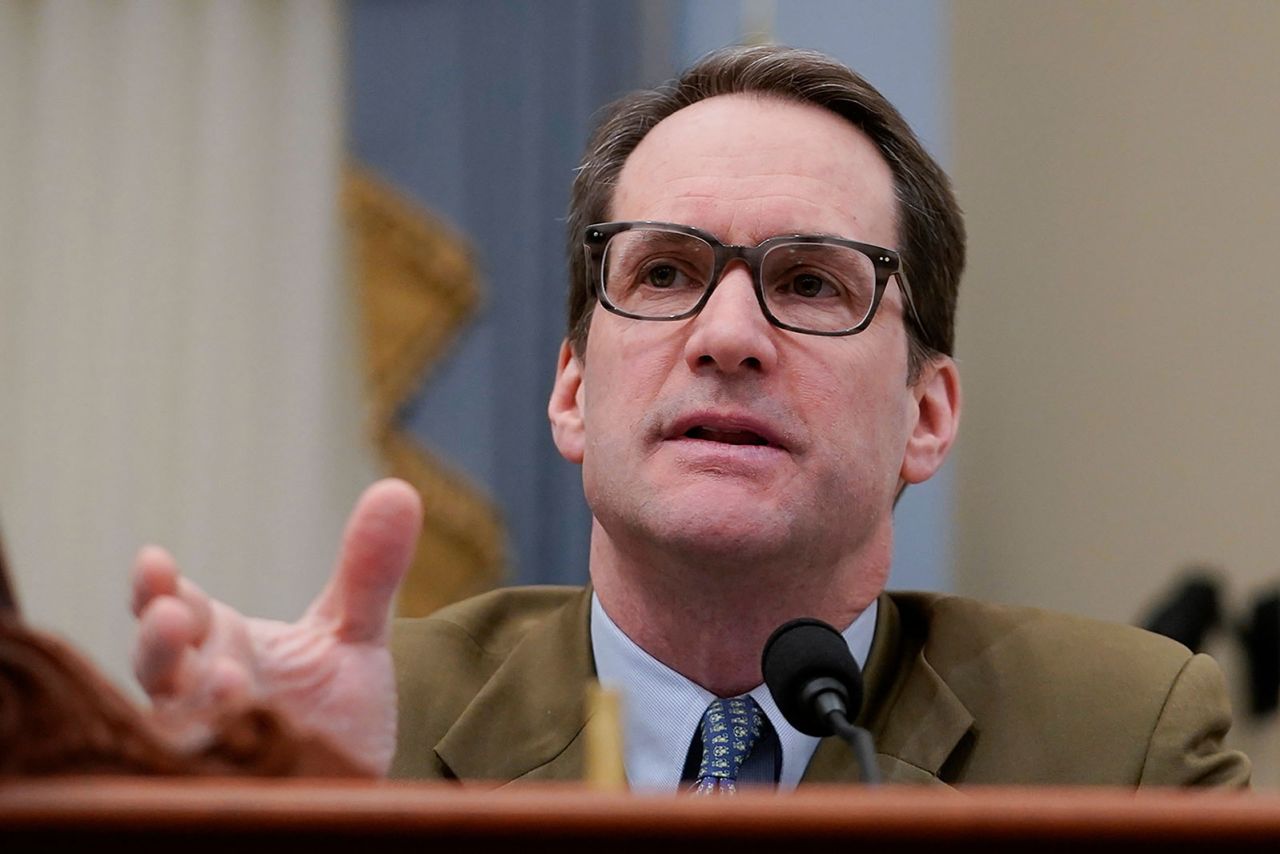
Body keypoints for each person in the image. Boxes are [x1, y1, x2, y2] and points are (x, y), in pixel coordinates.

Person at [130, 45, 1250, 790]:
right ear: (572, 388)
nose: (726, 334)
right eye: (664, 272)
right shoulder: (357, 737)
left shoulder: (1119, 741)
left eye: (810, 281)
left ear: (925, 411)